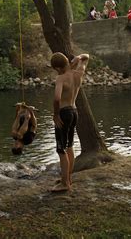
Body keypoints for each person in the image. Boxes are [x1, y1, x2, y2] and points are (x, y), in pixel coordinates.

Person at [50, 52, 89, 192]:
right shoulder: (78, 73)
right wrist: (76, 59)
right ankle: (67, 178)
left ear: (57, 68)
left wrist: (55, 115)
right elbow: (86, 56)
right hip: (74, 111)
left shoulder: (61, 78)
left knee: (61, 149)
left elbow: (56, 98)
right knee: (69, 146)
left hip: (64, 113)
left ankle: (64, 183)